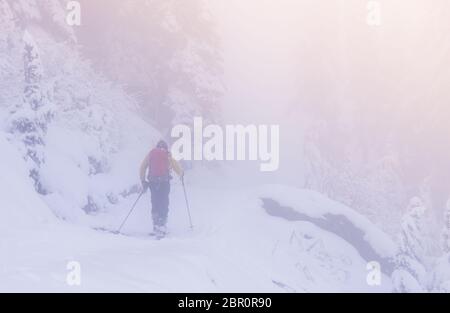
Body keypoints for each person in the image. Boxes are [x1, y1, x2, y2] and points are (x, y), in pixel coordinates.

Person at [140, 140, 184, 237]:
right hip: (164, 182)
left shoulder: (151, 154)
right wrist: (181, 174)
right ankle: (162, 224)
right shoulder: (167, 155)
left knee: (155, 202)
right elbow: (175, 165)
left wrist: (143, 181)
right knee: (164, 202)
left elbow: (142, 167)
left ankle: (156, 225)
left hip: (153, 182)